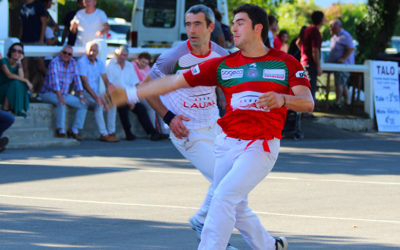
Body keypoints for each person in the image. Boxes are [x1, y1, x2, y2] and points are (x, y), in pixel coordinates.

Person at [108, 3, 313, 250]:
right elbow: (173, 82)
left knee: (224, 197)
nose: (233, 29)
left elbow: (307, 102)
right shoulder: (224, 64)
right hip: (225, 142)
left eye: (240, 23)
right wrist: (131, 93)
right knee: (227, 198)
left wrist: (283, 99)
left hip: (260, 145)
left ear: (258, 28)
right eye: (233, 23)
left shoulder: (286, 63)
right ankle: (269, 246)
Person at [141, 4, 235, 249]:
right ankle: (211, 233)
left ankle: (202, 220)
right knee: (226, 180)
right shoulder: (173, 57)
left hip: (214, 125)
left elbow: (225, 86)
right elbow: (145, 89)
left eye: (197, 24)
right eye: (188, 24)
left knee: (230, 180)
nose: (191, 30)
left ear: (210, 27)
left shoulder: (221, 54)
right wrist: (169, 117)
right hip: (185, 129)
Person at [107, 46, 167, 141]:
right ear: (116, 54)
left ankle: (153, 133)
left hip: (129, 95)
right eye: (121, 54)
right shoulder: (110, 64)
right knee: (123, 108)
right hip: (116, 95)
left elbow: (135, 84)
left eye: (125, 55)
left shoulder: (129, 66)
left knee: (141, 109)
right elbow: (109, 84)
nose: (123, 57)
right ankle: (128, 133)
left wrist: (132, 100)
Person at [39, 45, 87, 140]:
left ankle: (74, 130)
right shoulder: (54, 62)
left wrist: (81, 95)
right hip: (48, 93)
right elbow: (54, 82)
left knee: (83, 104)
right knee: (61, 103)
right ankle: (60, 130)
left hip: (64, 94)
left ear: (71, 56)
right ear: (61, 52)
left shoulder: (73, 63)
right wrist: (60, 96)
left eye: (69, 54)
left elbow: (77, 80)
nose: (66, 55)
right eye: (64, 53)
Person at [78, 41, 119, 142]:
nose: (92, 53)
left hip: (96, 92)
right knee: (99, 105)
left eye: (94, 50)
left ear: (97, 52)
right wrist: (97, 98)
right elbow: (85, 83)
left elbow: (106, 80)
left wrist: (109, 91)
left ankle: (111, 132)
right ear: (86, 51)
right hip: (85, 93)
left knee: (112, 104)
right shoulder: (82, 62)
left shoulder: (99, 62)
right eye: (90, 50)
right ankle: (103, 134)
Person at [133, 52, 168, 134]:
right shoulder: (132, 66)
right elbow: (136, 83)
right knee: (152, 106)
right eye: (142, 62)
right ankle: (153, 131)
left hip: (148, 92)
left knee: (160, 105)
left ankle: (164, 130)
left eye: (146, 63)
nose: (144, 64)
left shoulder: (148, 68)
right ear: (138, 60)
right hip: (137, 93)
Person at [19, 0, 48, 93]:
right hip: (24, 41)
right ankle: (26, 90)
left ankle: (53, 84)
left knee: (40, 66)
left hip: (36, 40)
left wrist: (41, 39)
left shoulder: (39, 5)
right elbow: (22, 25)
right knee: (24, 67)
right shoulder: (22, 6)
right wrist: (20, 39)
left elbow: (44, 22)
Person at [297, 10, 324, 103]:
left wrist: (304, 53)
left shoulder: (307, 29)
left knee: (306, 87)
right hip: (311, 63)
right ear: (321, 20)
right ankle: (308, 112)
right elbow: (315, 50)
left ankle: (305, 111)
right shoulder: (315, 31)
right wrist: (319, 66)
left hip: (303, 62)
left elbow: (298, 42)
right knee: (311, 88)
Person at [328, 18, 355, 109]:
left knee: (339, 83)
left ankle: (337, 102)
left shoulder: (345, 36)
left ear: (337, 27)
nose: (329, 29)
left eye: (331, 27)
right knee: (343, 84)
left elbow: (351, 48)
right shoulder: (335, 37)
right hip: (336, 65)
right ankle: (347, 102)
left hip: (343, 65)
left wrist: (343, 58)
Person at [0, 43, 33, 117]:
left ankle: (13, 108)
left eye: (19, 51)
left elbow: (21, 77)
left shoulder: (19, 65)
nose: (16, 53)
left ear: (22, 54)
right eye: (14, 50)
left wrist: (19, 62)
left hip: (10, 91)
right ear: (10, 52)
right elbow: (9, 75)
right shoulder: (4, 61)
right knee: (15, 83)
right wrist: (26, 81)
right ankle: (5, 108)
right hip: (1, 90)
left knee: (18, 83)